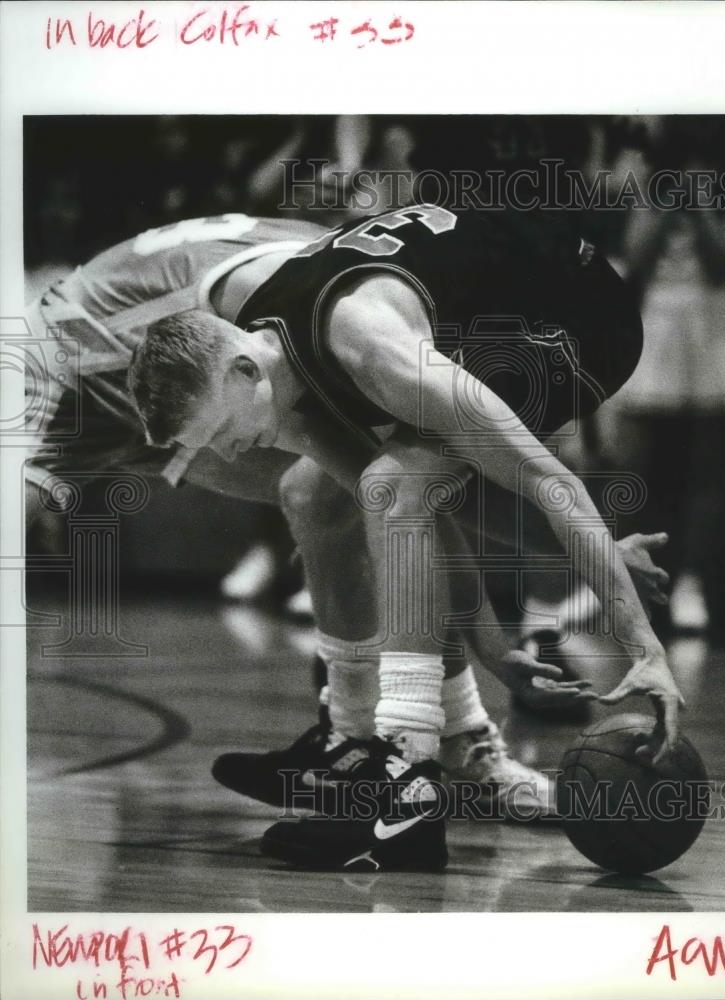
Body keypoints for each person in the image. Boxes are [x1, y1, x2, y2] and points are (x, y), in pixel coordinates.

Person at [129, 203, 683, 872]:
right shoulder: (269, 362)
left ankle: (409, 775)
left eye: (219, 431)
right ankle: (370, 750)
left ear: (243, 373)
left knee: (396, 485)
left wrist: (642, 645)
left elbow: (546, 481)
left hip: (578, 315)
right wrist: (490, 643)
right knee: (317, 490)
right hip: (472, 305)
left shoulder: (371, 347)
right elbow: (421, 526)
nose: (228, 450)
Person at [24, 211, 586, 829]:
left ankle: (400, 742)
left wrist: (558, 568)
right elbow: (410, 503)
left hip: (137, 339)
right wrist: (511, 623)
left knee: (334, 493)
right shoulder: (326, 318)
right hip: (80, 357)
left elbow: (406, 503)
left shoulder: (338, 317)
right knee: (347, 492)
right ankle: (418, 743)